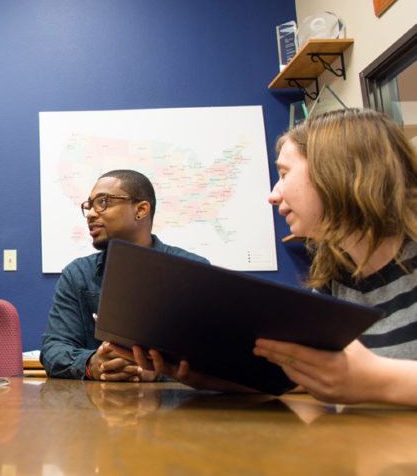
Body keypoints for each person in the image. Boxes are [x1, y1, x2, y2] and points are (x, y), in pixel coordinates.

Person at [132, 108, 417, 405]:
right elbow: (300, 383)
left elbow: (365, 382)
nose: (273, 195)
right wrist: (198, 376)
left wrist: (378, 381)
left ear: (337, 171)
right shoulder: (338, 277)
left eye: (283, 174)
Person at [40, 169, 209, 381]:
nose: (91, 213)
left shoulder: (193, 271)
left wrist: (156, 372)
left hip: (175, 405)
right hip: (95, 407)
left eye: (103, 202)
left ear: (141, 209)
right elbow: (53, 348)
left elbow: (210, 358)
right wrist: (92, 363)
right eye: (89, 206)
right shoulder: (77, 274)